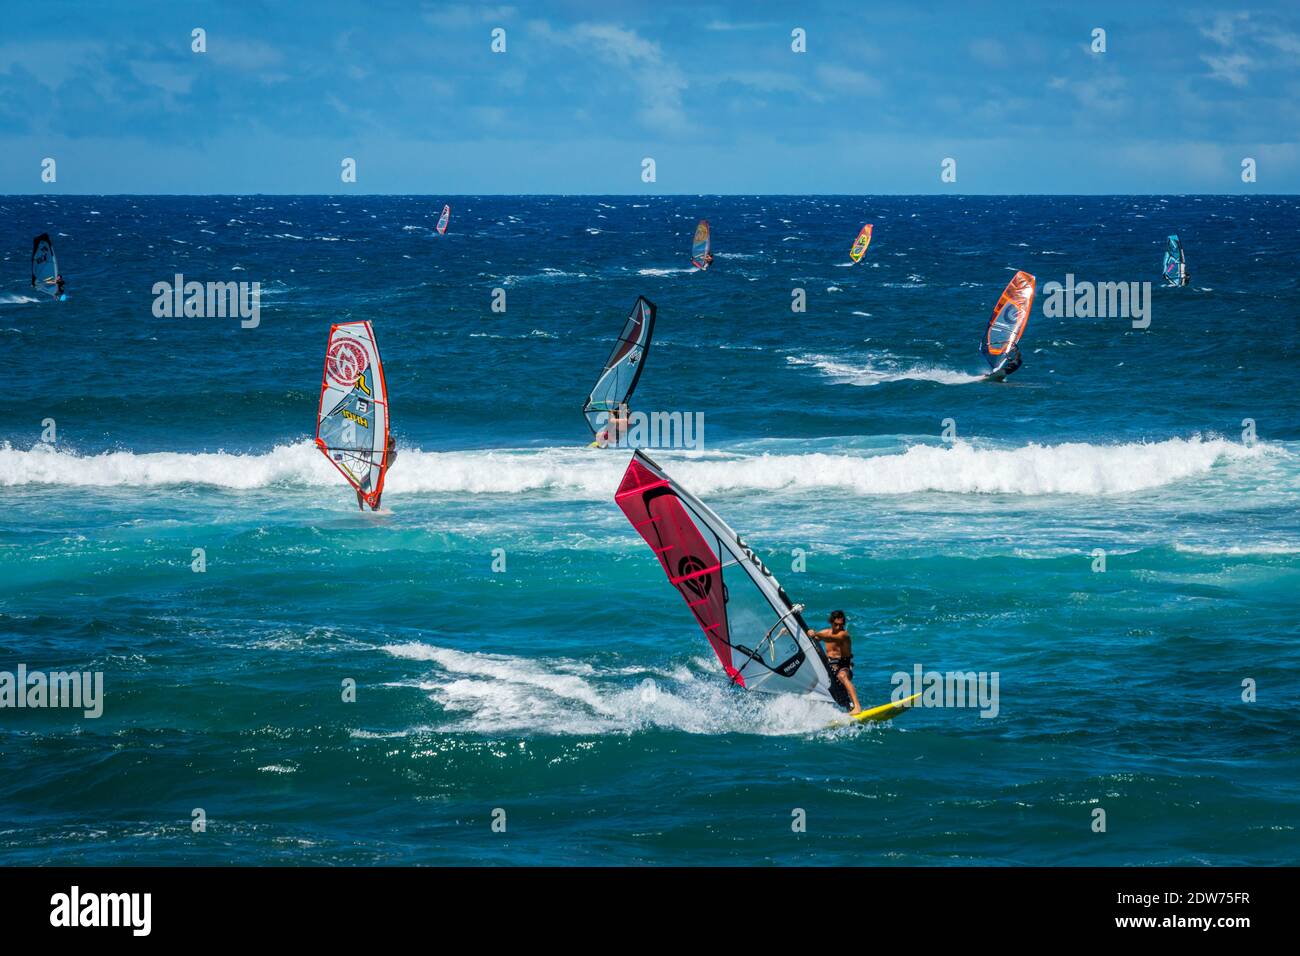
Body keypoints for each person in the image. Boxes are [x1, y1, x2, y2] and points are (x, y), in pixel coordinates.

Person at [807, 610, 861, 714]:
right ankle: (812, 712)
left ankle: (857, 707)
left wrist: (815, 633)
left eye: (841, 625)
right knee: (816, 684)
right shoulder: (825, 633)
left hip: (844, 665)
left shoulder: (844, 635)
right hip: (829, 665)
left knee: (842, 676)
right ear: (831, 622)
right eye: (835, 624)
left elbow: (831, 638)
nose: (838, 627)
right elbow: (811, 638)